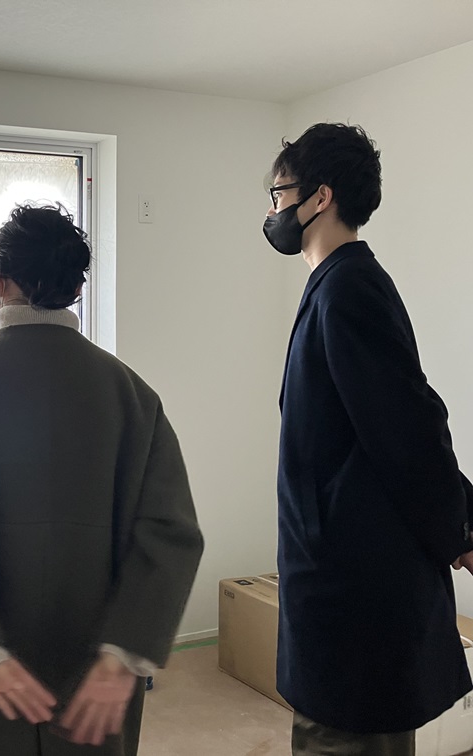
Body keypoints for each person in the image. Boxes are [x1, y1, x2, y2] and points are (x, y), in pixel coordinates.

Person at [0, 203, 204, 755]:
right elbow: (170, 532)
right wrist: (124, 654)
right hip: (89, 665)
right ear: (76, 290)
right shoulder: (131, 393)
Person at [265, 123, 473, 755]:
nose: (273, 210)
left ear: (320, 196)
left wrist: (461, 529)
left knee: (344, 737)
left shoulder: (349, 289)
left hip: (355, 588)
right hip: (338, 574)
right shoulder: (334, 284)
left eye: (279, 194)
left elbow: (408, 431)